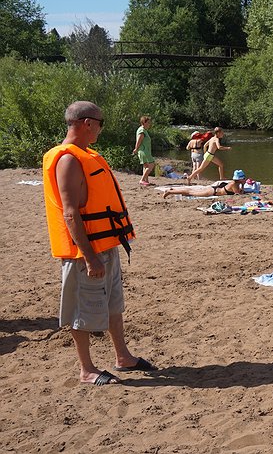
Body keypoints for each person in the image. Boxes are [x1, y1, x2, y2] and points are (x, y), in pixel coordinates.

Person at [43, 101, 155, 386]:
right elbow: (70, 212)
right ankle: (86, 369)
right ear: (86, 123)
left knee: (113, 304)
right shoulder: (68, 159)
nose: (101, 129)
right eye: (100, 123)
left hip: (106, 244)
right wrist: (89, 255)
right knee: (83, 310)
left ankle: (123, 356)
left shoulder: (87, 154)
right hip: (86, 252)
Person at [162, 169, 246, 198]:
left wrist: (241, 184)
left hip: (213, 189)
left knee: (189, 191)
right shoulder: (234, 184)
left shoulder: (233, 182)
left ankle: (173, 189)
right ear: (240, 179)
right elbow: (239, 193)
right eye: (243, 178)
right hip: (212, 192)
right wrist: (243, 185)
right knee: (189, 192)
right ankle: (170, 192)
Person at [132, 115, 155, 186]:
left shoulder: (144, 130)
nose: (149, 124)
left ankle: (146, 181)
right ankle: (142, 180)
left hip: (145, 150)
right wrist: (136, 149)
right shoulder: (142, 131)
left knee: (146, 166)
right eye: (148, 123)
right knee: (151, 164)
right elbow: (139, 140)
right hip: (144, 151)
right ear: (143, 123)